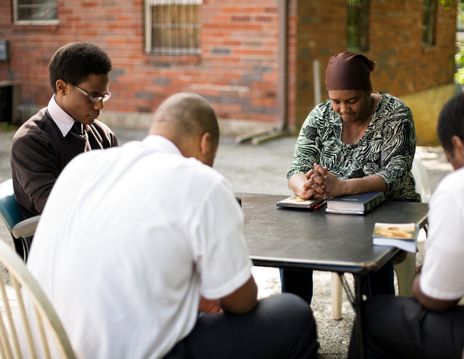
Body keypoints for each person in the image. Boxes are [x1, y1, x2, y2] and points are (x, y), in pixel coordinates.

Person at [26, 92, 319, 359]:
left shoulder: (82, 168)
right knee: (292, 313)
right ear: (205, 143)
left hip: (41, 347)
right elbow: (240, 302)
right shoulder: (201, 182)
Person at [348, 91, 464, 359]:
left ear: (459, 146)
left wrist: (421, 278)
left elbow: (440, 298)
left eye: (453, 161)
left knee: (374, 315)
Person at [281, 52, 420, 304]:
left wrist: (342, 187)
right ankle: (295, 322)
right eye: (336, 101)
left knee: (377, 253)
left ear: (368, 91)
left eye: (352, 100)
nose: (343, 109)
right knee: (293, 249)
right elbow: (297, 168)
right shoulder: (320, 116)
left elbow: (395, 173)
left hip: (396, 209)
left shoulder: (397, 114)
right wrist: (305, 187)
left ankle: (380, 327)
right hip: (334, 212)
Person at [10, 42, 118, 258]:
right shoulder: (31, 141)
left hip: (98, 241)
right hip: (57, 256)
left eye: (103, 96)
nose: (100, 106)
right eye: (93, 96)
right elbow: (58, 212)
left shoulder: (102, 134)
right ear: (62, 88)